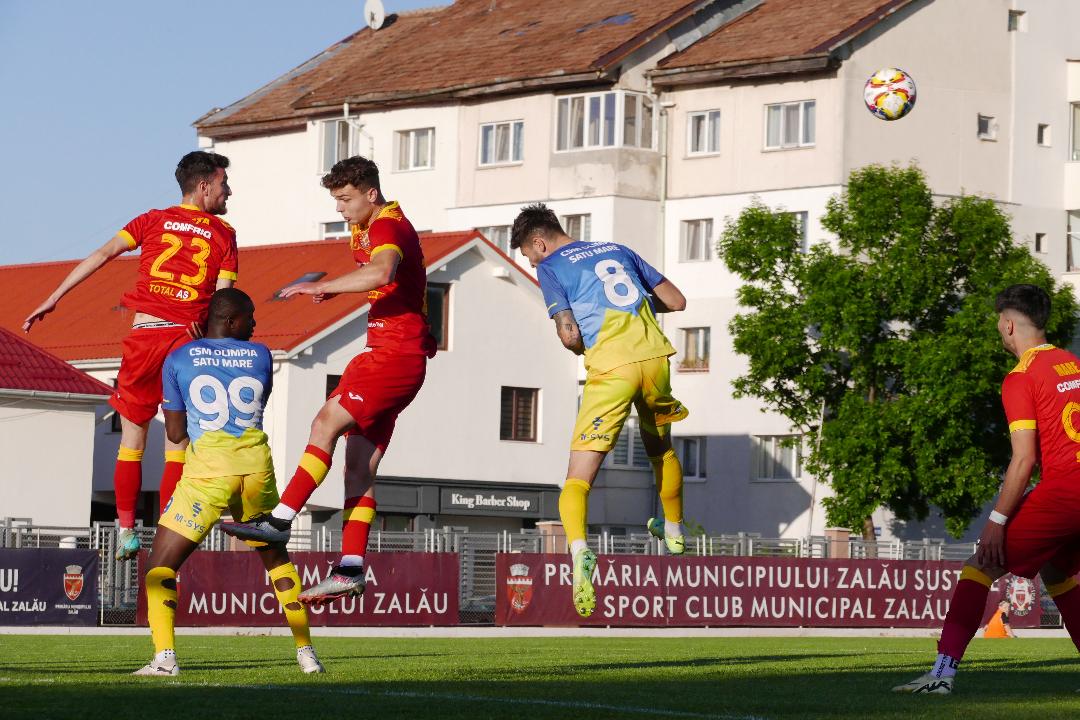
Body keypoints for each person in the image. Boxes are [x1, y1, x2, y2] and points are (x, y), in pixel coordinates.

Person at [221, 156, 436, 605]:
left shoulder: (387, 225)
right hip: (392, 354)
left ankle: (279, 520)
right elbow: (386, 283)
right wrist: (334, 288)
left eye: (345, 199)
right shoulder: (366, 224)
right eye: (336, 199)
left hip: (394, 357)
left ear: (371, 194)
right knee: (358, 469)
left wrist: (326, 286)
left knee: (325, 423)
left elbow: (383, 271)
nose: (339, 208)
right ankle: (350, 569)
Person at [23, 151, 237, 561]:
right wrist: (213, 344)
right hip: (186, 341)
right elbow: (224, 301)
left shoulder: (152, 220)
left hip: (145, 335)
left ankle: (125, 531)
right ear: (204, 186)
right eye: (224, 184)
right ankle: (170, 527)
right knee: (178, 440)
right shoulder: (224, 234)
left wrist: (54, 297)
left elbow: (102, 254)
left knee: (132, 438)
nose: (229, 192)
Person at [895, 284, 1080, 695]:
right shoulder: (1073, 363)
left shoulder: (1021, 377)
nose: (998, 327)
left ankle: (941, 674)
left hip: (1066, 492)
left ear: (1009, 324)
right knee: (1057, 571)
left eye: (999, 320)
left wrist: (997, 520)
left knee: (979, 566)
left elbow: (1023, 459)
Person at [508, 203, 689, 618]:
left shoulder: (551, 267)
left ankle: (579, 551)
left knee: (578, 478)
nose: (532, 262)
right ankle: (674, 529)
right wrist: (635, 310)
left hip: (612, 368)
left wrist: (582, 341)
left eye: (529, 255)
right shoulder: (618, 250)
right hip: (655, 361)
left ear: (539, 242)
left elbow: (569, 334)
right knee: (660, 449)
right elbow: (676, 301)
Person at [135, 288, 324, 676]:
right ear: (231, 321)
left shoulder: (179, 357)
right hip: (256, 469)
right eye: (250, 317)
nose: (255, 324)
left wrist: (195, 351)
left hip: (208, 472)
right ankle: (307, 654)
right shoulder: (261, 355)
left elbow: (175, 434)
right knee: (276, 560)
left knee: (159, 567)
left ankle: (165, 659)